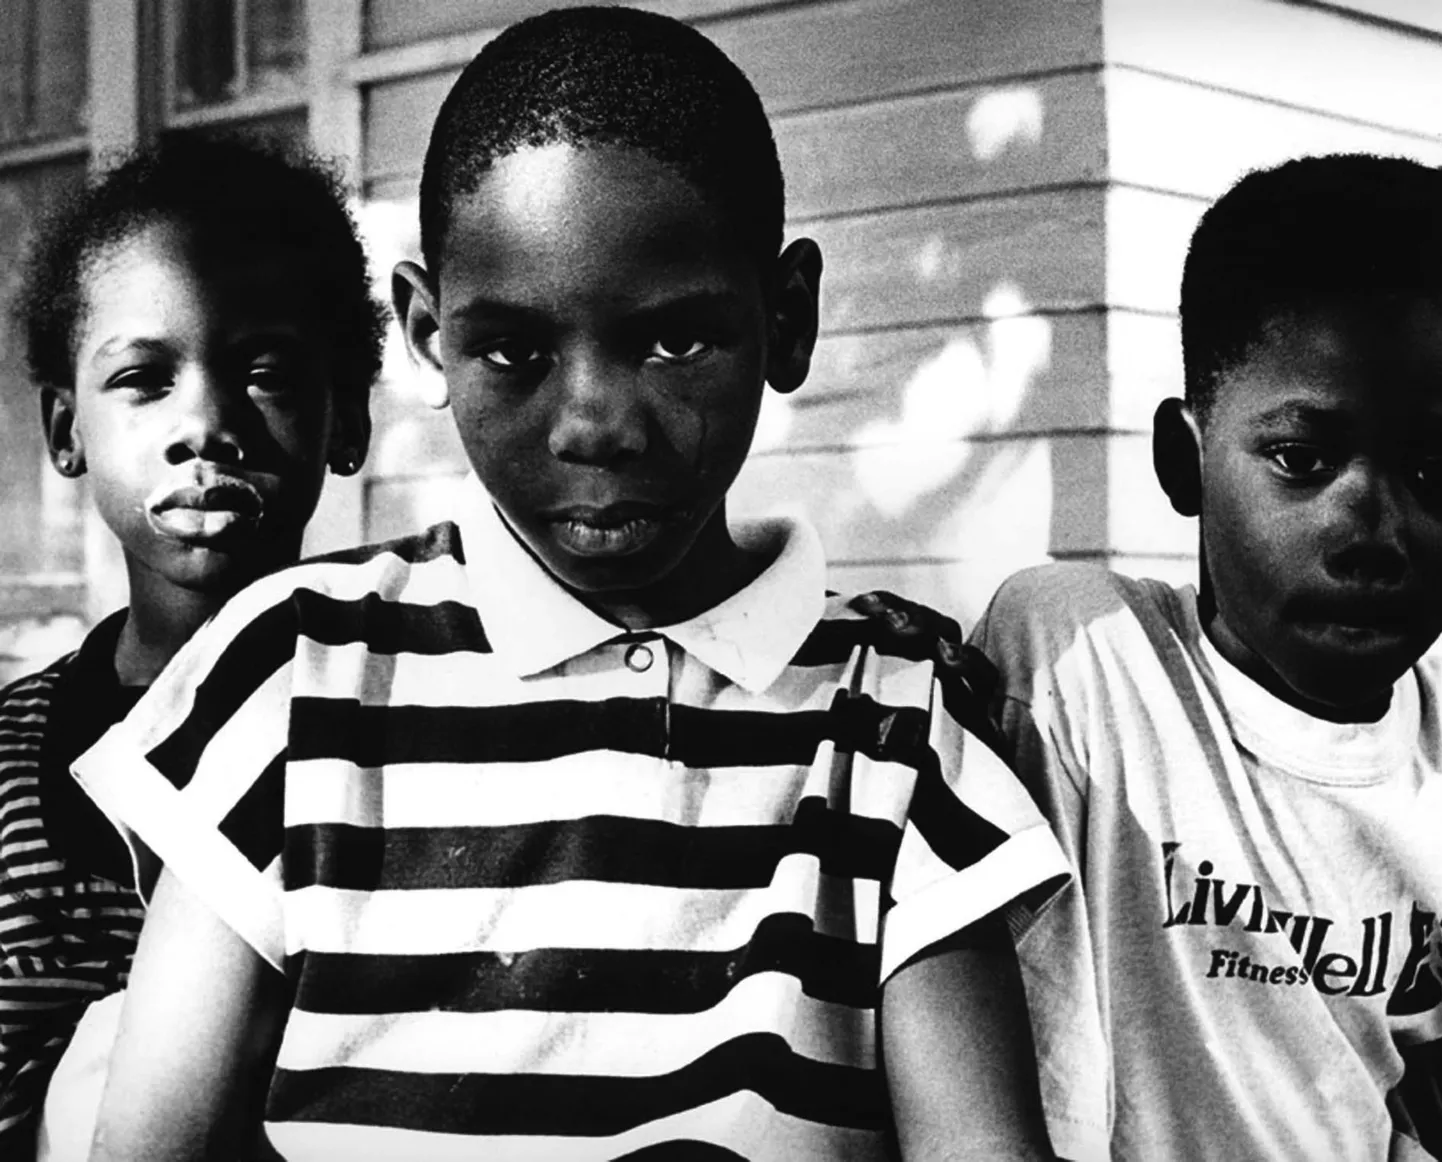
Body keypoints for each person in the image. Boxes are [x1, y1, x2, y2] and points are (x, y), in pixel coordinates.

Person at [73, 9, 1070, 1160]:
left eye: (675, 341)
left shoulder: (895, 721)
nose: (594, 422)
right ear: (425, 333)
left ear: (784, 317)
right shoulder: (293, 672)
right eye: (514, 351)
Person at [972, 154, 1442, 1161]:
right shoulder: (1082, 661)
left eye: (1440, 472)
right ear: (1185, 460)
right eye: (1302, 460)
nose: (1371, 529)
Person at [0, 135, 384, 1159]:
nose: (205, 423)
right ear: (65, 428)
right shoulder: (6, 761)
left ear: (346, 417)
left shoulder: (407, 727)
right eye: (143, 378)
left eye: (264, 372)